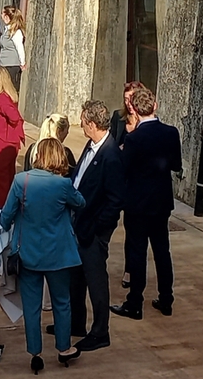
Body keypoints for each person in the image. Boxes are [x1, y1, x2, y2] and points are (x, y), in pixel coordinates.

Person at [1, 137, 85, 374]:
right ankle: (63, 348)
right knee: (62, 302)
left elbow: (5, 217)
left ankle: (35, 352)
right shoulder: (63, 185)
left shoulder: (21, 181)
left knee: (31, 305)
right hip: (59, 254)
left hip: (28, 252)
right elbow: (81, 203)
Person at [112, 84, 182, 320]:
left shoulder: (134, 139)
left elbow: (122, 168)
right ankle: (166, 298)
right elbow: (175, 164)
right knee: (162, 251)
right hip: (161, 201)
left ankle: (135, 303)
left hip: (137, 203)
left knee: (137, 252)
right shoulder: (171, 132)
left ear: (134, 109)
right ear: (155, 106)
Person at [67, 100, 126, 353]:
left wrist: (99, 229)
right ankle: (76, 323)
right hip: (80, 225)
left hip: (93, 231)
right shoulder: (92, 147)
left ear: (92, 124)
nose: (80, 125)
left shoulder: (111, 155)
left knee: (96, 280)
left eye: (82, 122)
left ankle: (100, 331)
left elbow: (115, 200)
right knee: (76, 278)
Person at [0, 67, 24, 207]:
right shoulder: (7, 96)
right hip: (9, 143)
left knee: (1, 183)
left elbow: (14, 117)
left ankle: (2, 212)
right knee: (7, 182)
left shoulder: (1, 99)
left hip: (1, 144)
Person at [0, 6, 27, 90]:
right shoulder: (6, 30)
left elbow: (20, 48)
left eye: (2, 13)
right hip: (4, 64)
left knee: (11, 88)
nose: (1, 15)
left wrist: (22, 63)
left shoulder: (16, 32)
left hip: (11, 66)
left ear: (6, 16)